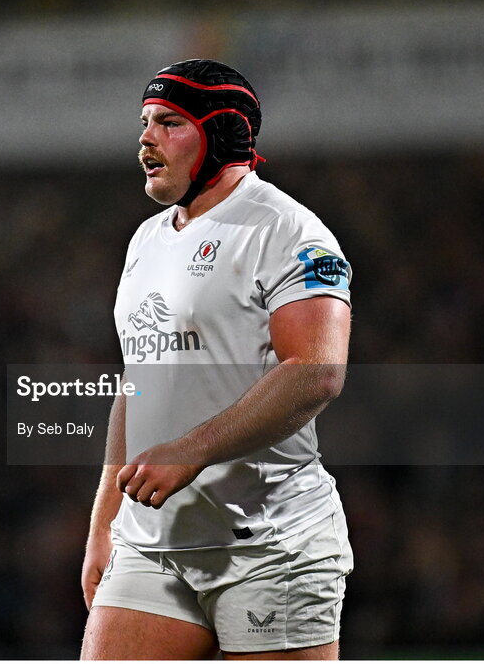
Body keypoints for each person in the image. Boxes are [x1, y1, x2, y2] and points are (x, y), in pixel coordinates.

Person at [80, 59, 354, 660]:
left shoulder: (288, 231)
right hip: (153, 544)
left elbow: (317, 371)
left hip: (270, 545)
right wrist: (105, 523)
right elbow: (139, 384)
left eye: (169, 122)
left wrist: (191, 449)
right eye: (145, 122)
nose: (146, 138)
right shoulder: (146, 239)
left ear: (222, 133)